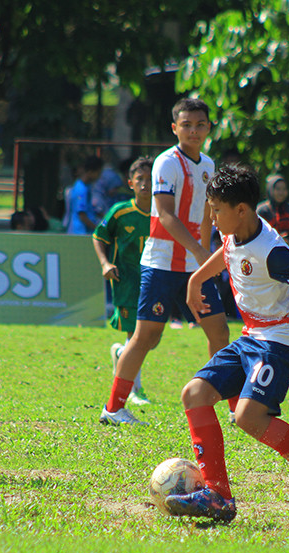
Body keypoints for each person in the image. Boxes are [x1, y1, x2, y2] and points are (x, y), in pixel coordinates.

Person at [163, 164, 289, 523]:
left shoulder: (272, 252)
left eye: (216, 210)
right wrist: (196, 278)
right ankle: (218, 495)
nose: (212, 216)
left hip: (284, 341)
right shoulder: (235, 231)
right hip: (253, 335)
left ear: (241, 210)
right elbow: (225, 254)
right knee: (193, 394)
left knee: (248, 417)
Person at [100, 98, 232, 425]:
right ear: (175, 128)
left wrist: (204, 256)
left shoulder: (208, 165)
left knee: (219, 331)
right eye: (186, 125)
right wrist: (201, 253)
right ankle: (113, 409)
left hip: (192, 268)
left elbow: (205, 215)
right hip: (160, 264)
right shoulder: (167, 163)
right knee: (146, 337)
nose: (193, 130)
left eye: (200, 124)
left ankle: (232, 410)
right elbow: (166, 216)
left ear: (208, 128)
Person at [93, 156, 154, 406]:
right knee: (136, 334)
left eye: (150, 180)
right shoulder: (120, 212)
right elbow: (99, 237)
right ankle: (134, 390)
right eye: (140, 179)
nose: (145, 184)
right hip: (126, 280)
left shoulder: (164, 213)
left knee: (150, 337)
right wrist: (106, 264)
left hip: (153, 280)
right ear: (130, 183)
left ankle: (120, 354)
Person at [256, 174, 289, 249]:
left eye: (284, 189)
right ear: (270, 190)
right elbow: (257, 233)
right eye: (278, 189)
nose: (281, 192)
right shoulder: (262, 211)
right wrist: (276, 239)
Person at [67, 155, 102, 235]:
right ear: (90, 172)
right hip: (80, 232)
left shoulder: (86, 186)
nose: (99, 176)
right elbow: (82, 216)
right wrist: (97, 230)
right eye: (98, 173)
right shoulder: (81, 189)